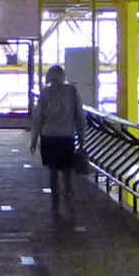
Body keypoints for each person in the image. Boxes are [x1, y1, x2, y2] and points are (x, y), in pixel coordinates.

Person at [30, 63, 85, 203]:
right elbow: (79, 115)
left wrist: (34, 138)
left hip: (48, 136)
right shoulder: (72, 91)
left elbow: (38, 117)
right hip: (67, 136)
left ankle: (55, 197)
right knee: (67, 169)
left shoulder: (45, 93)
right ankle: (67, 192)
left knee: (53, 169)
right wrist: (81, 136)